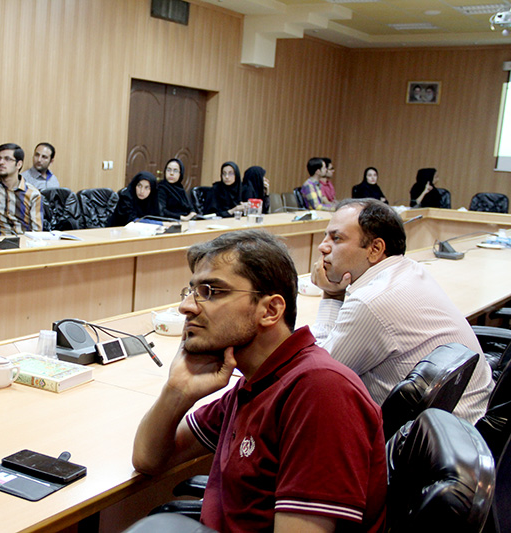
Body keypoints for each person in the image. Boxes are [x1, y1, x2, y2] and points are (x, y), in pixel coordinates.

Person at [132, 230, 387, 532]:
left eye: (211, 291)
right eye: (191, 291)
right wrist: (177, 391)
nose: (186, 306)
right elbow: (148, 459)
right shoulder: (259, 380)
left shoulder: (319, 390)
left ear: (270, 310)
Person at [311, 198, 492, 423]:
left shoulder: (372, 301)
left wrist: (331, 296)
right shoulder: (409, 269)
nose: (322, 246)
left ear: (375, 249)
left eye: (336, 238)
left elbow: (316, 377)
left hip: (440, 436)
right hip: (470, 419)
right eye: (325, 236)